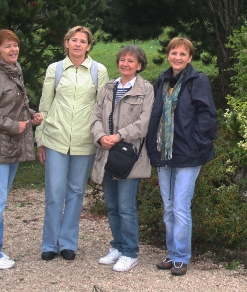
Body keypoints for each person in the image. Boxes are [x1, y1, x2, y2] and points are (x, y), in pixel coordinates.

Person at [35, 26, 109, 261]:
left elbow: (102, 109)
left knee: (76, 192)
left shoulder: (99, 71)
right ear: (66, 43)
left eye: (82, 41)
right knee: (54, 192)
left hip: (85, 141)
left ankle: (68, 242)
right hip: (55, 138)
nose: (78, 44)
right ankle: (49, 243)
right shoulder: (55, 69)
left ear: (89, 46)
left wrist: (100, 138)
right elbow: (45, 106)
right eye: (73, 40)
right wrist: (40, 139)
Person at [146, 37, 217, 276]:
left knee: (180, 207)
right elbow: (155, 115)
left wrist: (197, 143)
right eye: (174, 53)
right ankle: (172, 252)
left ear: (190, 58)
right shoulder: (162, 81)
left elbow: (207, 116)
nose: (177, 57)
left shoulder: (197, 81)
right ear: (168, 55)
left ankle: (181, 256)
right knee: (168, 207)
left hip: (189, 153)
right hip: (164, 153)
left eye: (183, 54)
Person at [0, 28, 43, 270]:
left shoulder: (14, 71)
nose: (13, 49)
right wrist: (14, 126)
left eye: (15, 45)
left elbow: (14, 106)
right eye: (7, 46)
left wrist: (31, 114)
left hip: (11, 146)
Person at [90, 45, 154, 272]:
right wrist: (100, 137)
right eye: (122, 60)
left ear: (139, 65)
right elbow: (95, 115)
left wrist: (119, 136)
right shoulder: (109, 87)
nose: (125, 64)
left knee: (126, 207)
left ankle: (129, 252)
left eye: (131, 60)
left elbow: (145, 122)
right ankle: (117, 246)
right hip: (107, 153)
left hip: (130, 157)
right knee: (112, 205)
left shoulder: (146, 89)